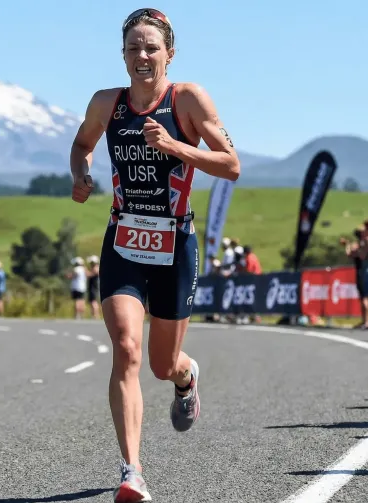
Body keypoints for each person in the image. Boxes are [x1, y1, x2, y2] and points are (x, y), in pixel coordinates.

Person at [69, 7, 240, 500]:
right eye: (132, 49)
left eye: (150, 48)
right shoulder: (107, 102)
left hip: (175, 244)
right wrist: (80, 175)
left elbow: (231, 165)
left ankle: (186, 377)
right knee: (126, 348)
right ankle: (132, 471)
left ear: (169, 52)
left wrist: (176, 147)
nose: (141, 56)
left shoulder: (187, 99)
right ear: (122, 55)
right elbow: (82, 145)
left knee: (162, 365)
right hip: (124, 239)